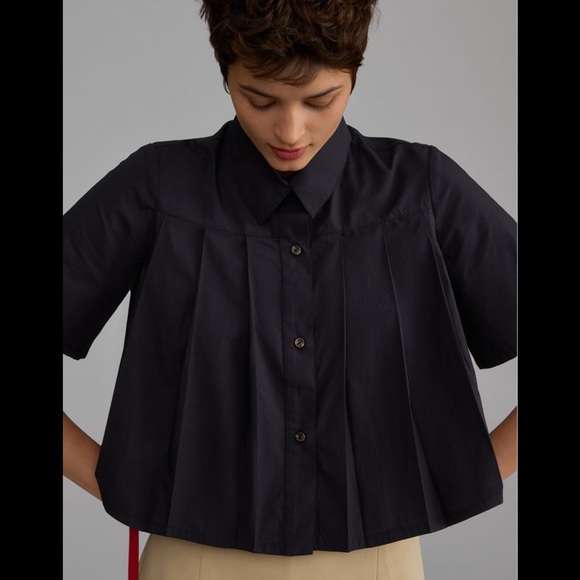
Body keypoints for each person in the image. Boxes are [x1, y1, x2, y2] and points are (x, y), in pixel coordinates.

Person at [63, 1, 517, 579]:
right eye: (260, 100)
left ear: (355, 69)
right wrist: (122, 482)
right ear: (222, 63)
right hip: (193, 561)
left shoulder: (420, 192)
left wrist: (463, 473)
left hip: (378, 563)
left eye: (320, 101)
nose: (290, 131)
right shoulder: (158, 189)